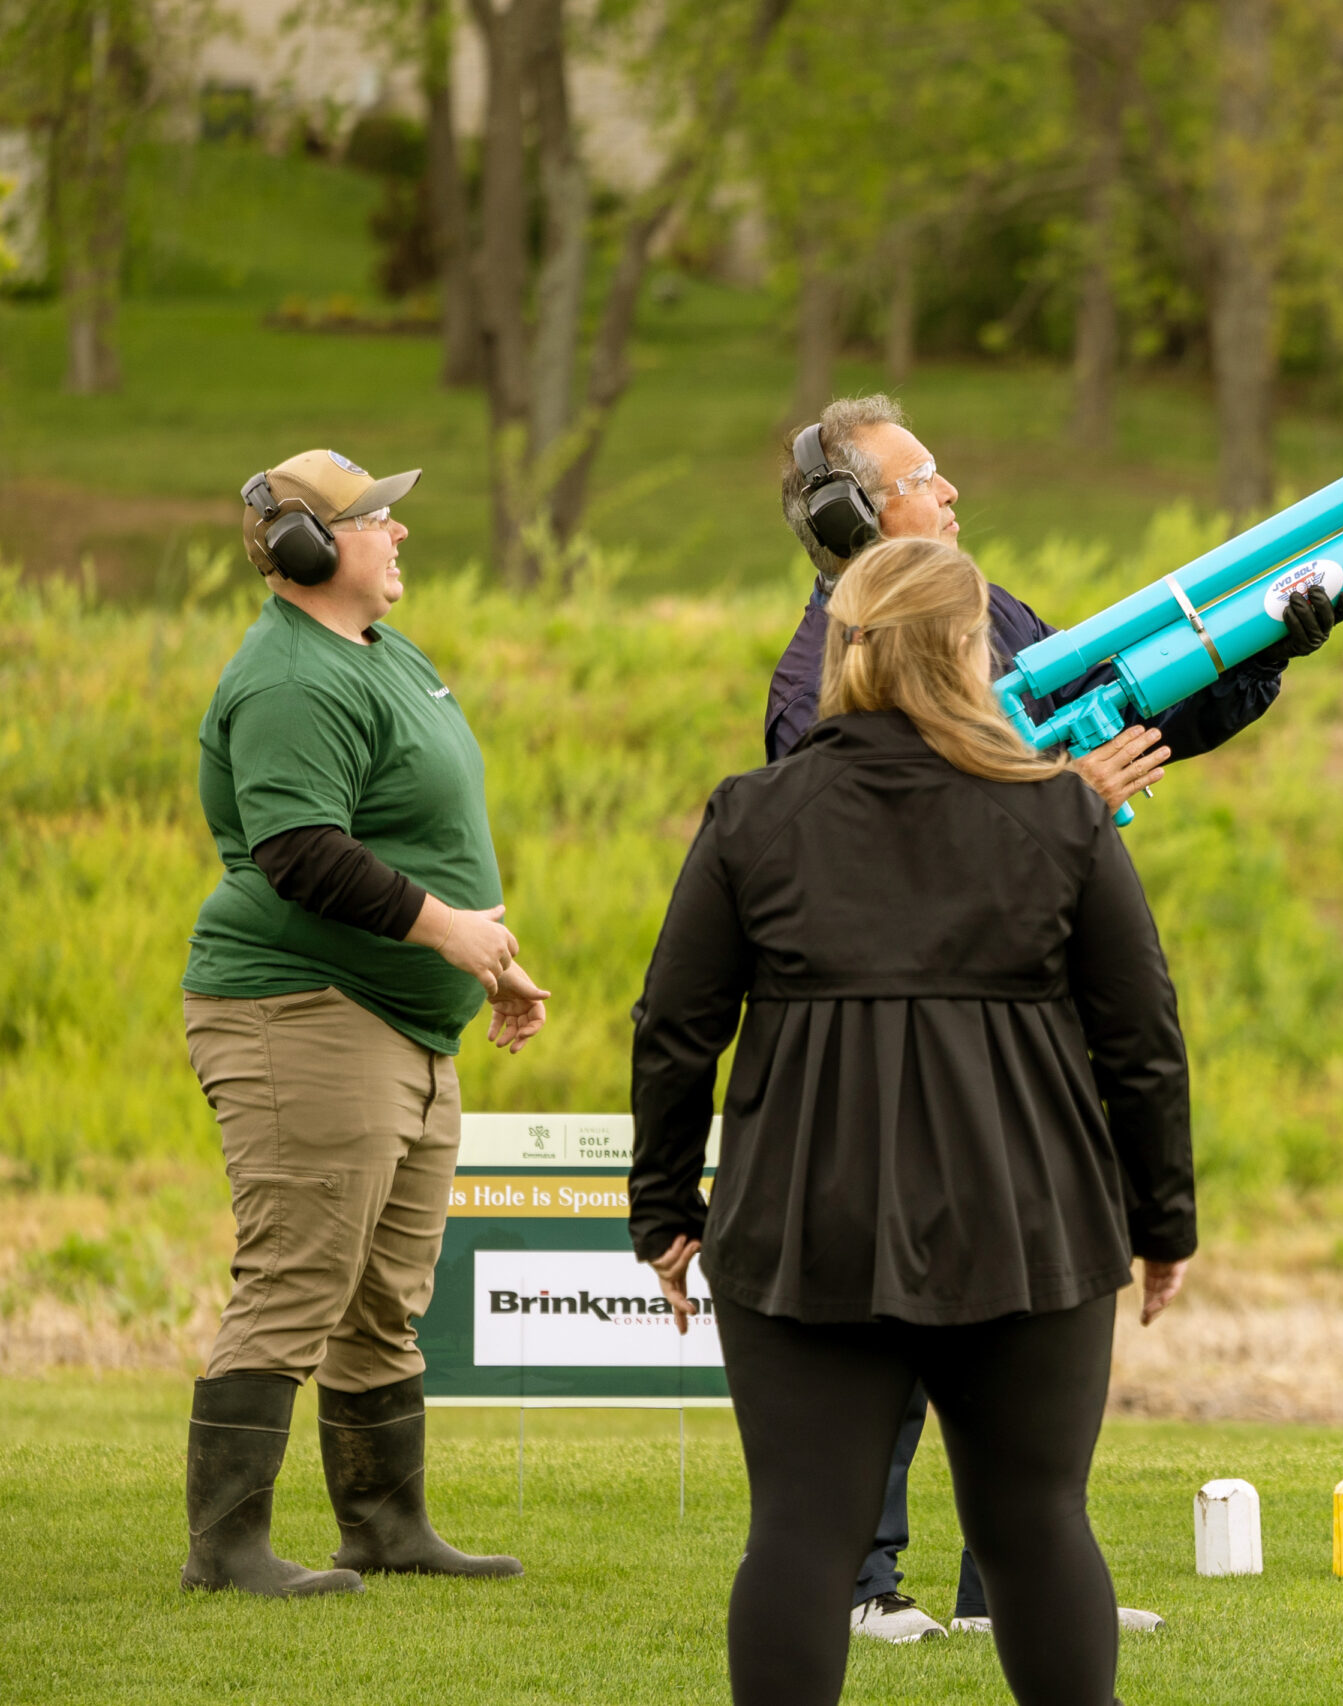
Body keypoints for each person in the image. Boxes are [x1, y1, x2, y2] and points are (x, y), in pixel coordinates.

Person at [768, 395, 1343, 1639]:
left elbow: (1149, 711)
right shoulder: (813, 676)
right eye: (924, 477)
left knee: (1012, 1305)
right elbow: (864, 862)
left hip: (1027, 1020)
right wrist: (1053, 803)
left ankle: (1002, 1589)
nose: (953, 490)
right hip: (903, 1044)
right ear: (853, 516)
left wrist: (1270, 645)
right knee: (895, 1307)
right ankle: (870, 1585)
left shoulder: (998, 620)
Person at [628, 537, 1194, 1706]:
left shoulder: (752, 814)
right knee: (1037, 1522)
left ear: (846, 648)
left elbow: (675, 1028)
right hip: (1027, 1217)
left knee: (798, 1527)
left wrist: (665, 1211)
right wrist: (1162, 1220)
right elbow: (1138, 1034)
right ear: (968, 648)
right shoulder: (1061, 817)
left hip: (800, 1223)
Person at [180, 449, 549, 1597]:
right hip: (302, 1010)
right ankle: (227, 1549)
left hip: (398, 1018)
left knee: (387, 1292)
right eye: (377, 517)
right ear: (307, 548)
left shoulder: (382, 654)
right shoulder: (292, 678)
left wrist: (486, 955)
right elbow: (298, 850)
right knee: (298, 1275)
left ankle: (385, 1526)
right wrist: (447, 930)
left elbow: (414, 832)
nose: (399, 533)